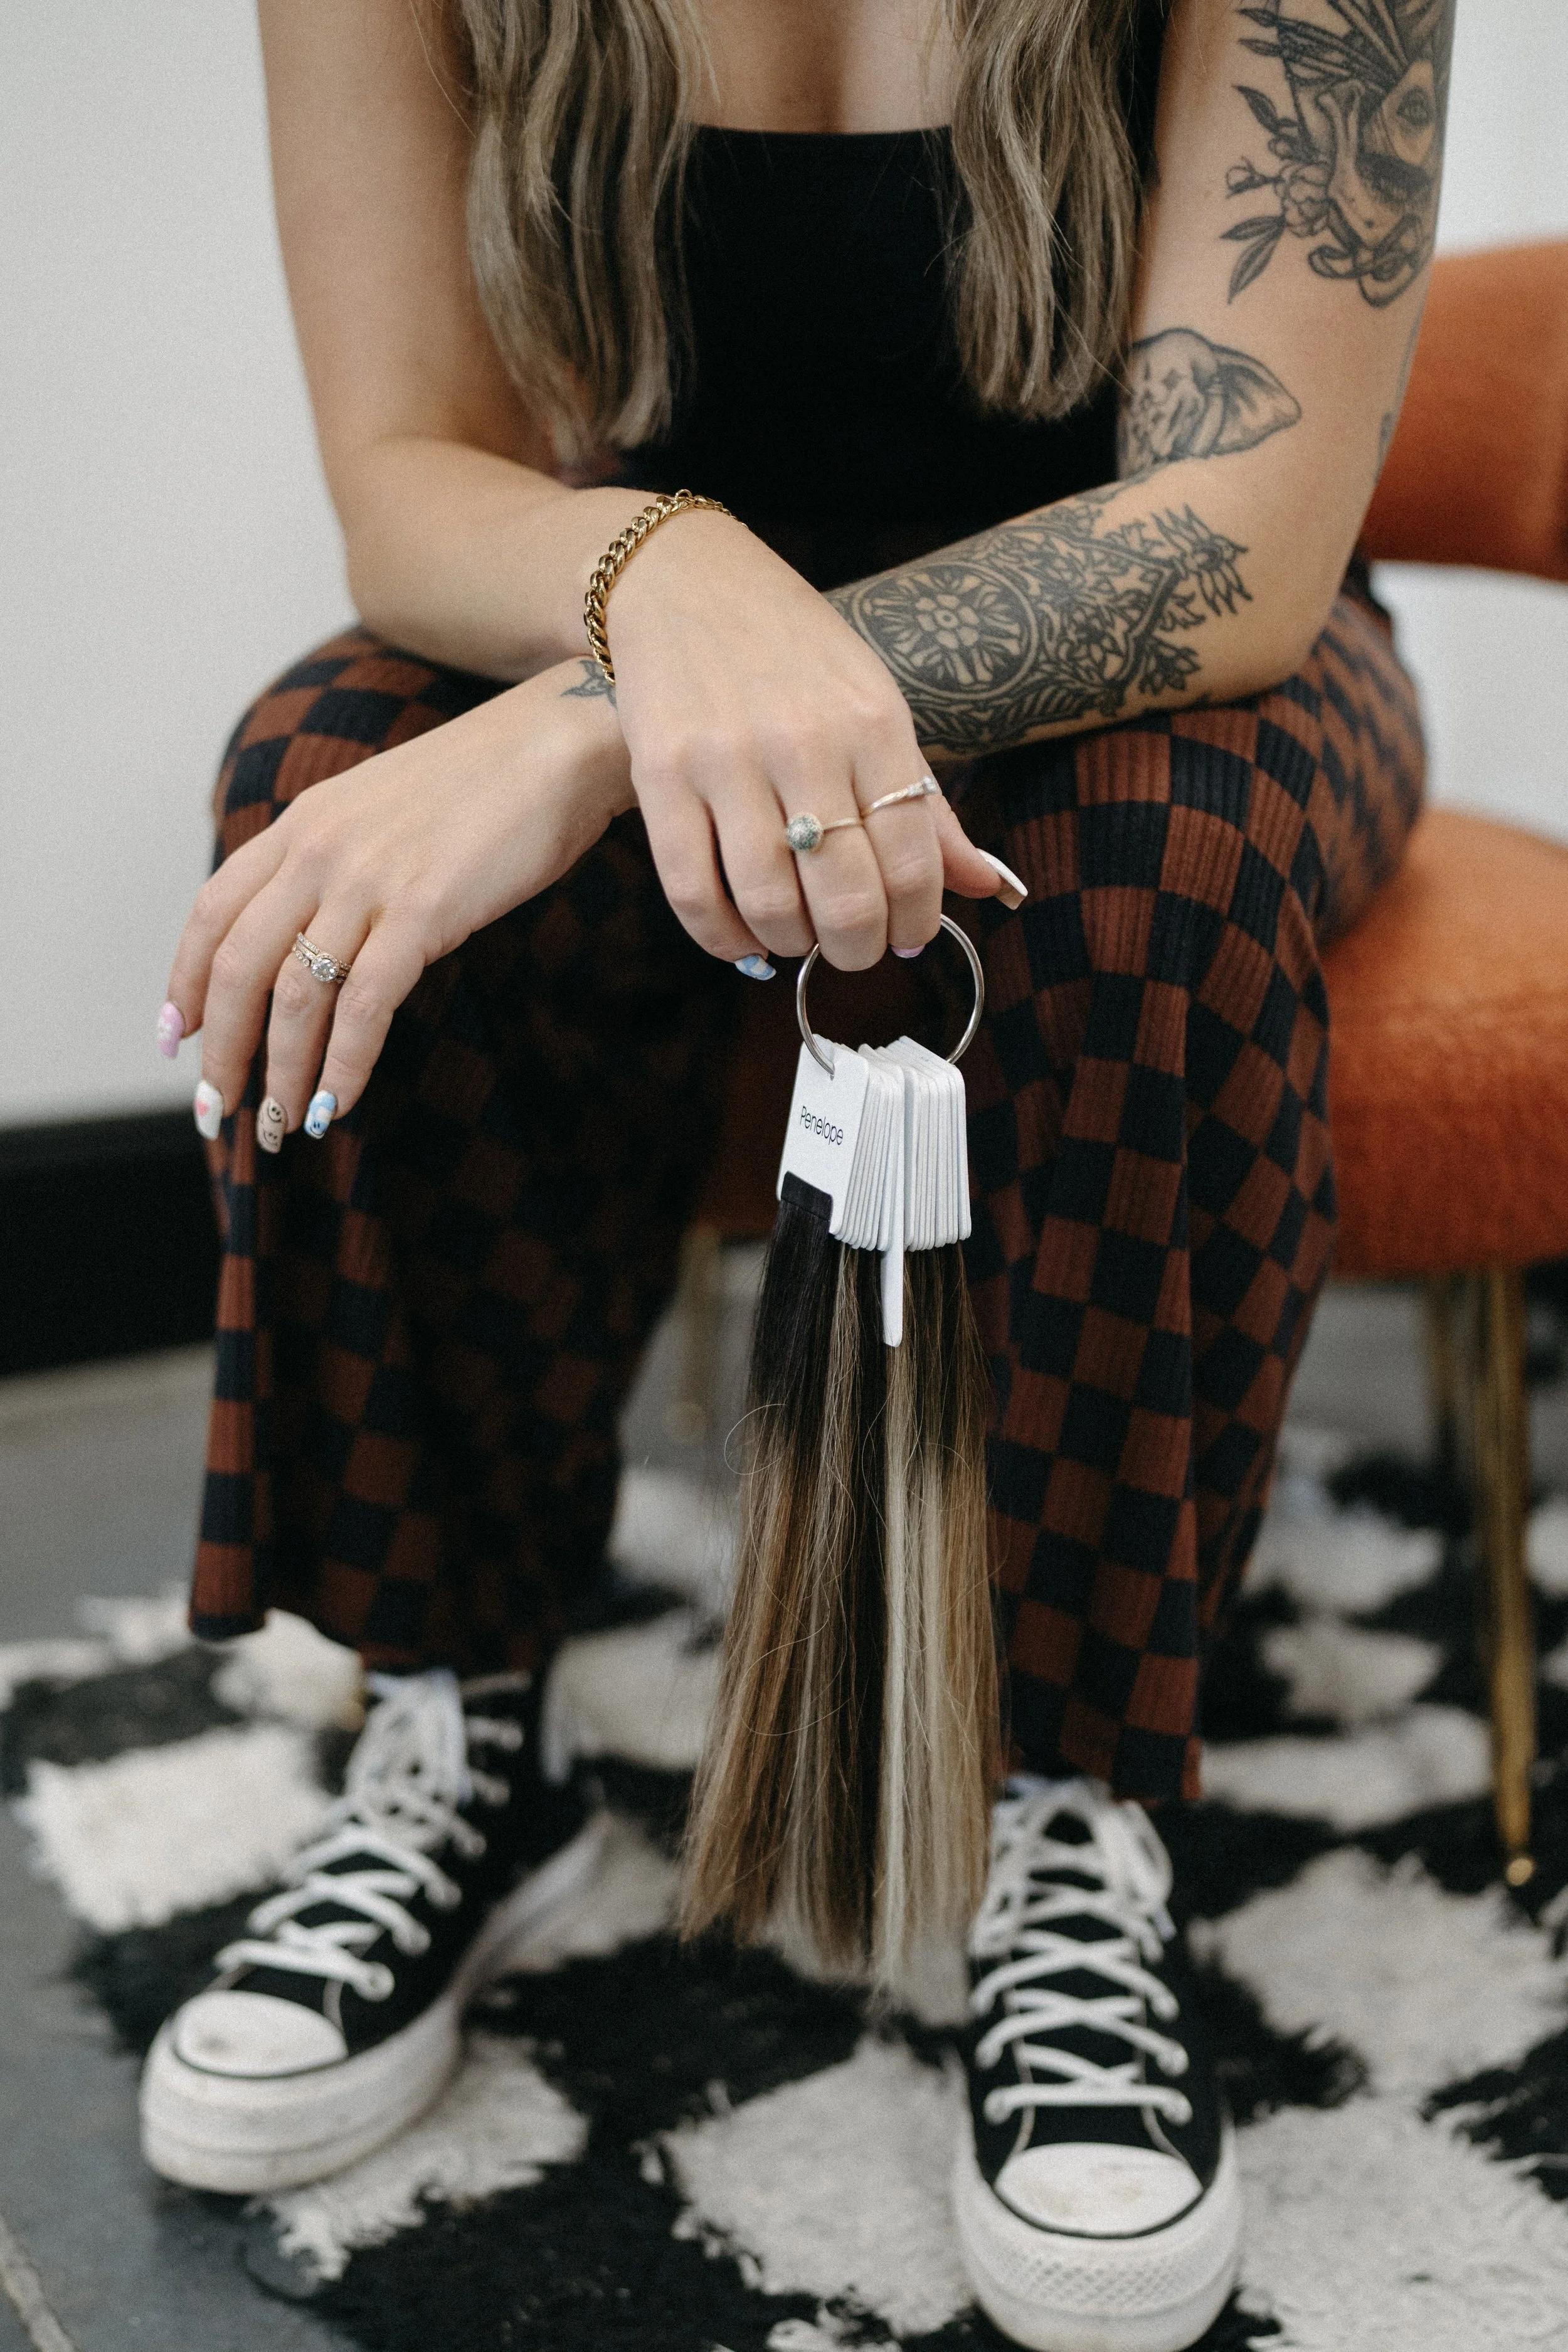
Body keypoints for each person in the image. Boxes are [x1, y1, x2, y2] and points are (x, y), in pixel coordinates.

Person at [139, 1, 1446, 2344]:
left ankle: (1080, 1808)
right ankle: (457, 1714)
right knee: (318, 783)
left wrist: (591, 721)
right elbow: (409, 473)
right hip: (650, 599)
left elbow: (1237, 547)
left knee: (1140, 872)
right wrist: (657, 597)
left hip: (1175, 653)